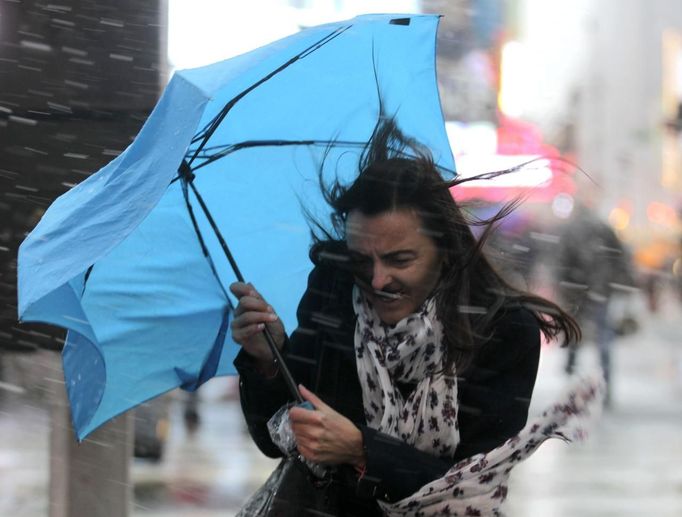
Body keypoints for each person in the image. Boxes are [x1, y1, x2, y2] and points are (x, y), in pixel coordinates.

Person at [230, 120, 581, 516]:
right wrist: (269, 359)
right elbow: (273, 437)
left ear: (444, 250)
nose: (378, 280)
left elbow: (474, 483)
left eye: (400, 260)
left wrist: (364, 451)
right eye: (363, 260)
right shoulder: (333, 293)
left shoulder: (502, 331)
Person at [556, 195, 637, 407]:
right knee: (603, 339)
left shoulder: (570, 231)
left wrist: (564, 287)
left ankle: (572, 378)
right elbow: (621, 256)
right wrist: (622, 282)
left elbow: (561, 262)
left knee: (576, 333)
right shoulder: (604, 228)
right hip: (600, 291)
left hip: (577, 291)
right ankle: (606, 387)